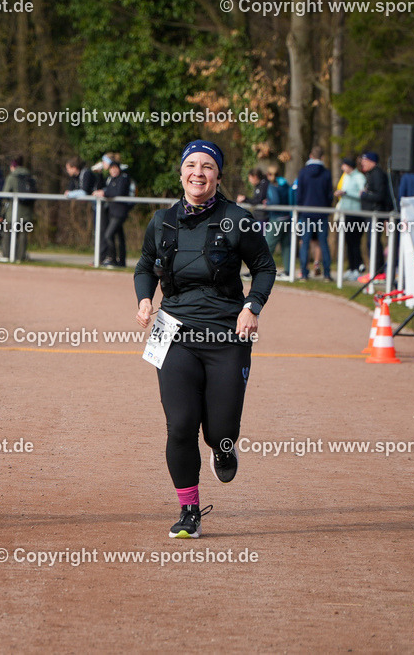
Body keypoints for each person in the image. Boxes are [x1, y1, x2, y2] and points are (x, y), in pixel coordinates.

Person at [134, 140, 275, 539]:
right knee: (180, 426)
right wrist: (145, 299)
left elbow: (264, 267)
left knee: (221, 429)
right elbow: (145, 266)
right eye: (191, 165)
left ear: (218, 175)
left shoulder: (237, 219)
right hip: (173, 333)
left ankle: (223, 444)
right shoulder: (162, 221)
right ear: (180, 173)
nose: (199, 172)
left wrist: (252, 306)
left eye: (208, 166)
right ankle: (189, 511)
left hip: (226, 334)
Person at [295, 145, 333, 280]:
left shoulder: (303, 172)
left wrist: (299, 209)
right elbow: (329, 195)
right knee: (323, 243)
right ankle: (327, 274)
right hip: (322, 213)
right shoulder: (327, 173)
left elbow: (299, 194)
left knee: (305, 243)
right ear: (322, 157)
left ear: (311, 156)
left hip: (306, 213)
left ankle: (304, 274)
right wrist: (327, 207)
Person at [359, 151, 392, 275]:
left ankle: (377, 271)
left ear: (372, 161)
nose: (362, 163)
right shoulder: (371, 174)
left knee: (373, 241)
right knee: (371, 241)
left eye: (365, 160)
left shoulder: (377, 174)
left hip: (376, 214)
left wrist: (364, 195)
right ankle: (376, 270)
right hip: (371, 214)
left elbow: (380, 195)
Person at [95, 161, 133, 267]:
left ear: (119, 168)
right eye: (111, 168)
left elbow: (119, 192)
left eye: (115, 168)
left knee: (108, 235)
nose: (113, 170)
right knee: (120, 237)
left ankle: (112, 259)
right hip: (112, 212)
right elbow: (101, 188)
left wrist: (104, 193)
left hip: (119, 213)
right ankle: (121, 261)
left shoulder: (123, 178)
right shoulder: (111, 179)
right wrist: (100, 174)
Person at [0, 155, 36, 262]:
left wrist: (3, 210)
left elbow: (5, 194)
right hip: (27, 212)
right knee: (23, 235)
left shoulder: (12, 177)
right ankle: (21, 257)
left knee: (8, 233)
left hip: (13, 213)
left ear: (13, 166)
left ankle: (7, 255)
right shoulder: (30, 177)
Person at [334, 157, 366, 280]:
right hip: (345, 213)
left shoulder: (359, 177)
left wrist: (346, 193)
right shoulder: (346, 177)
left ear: (349, 166)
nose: (342, 168)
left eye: (344, 165)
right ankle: (351, 268)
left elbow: (361, 194)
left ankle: (358, 268)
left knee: (355, 242)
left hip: (356, 214)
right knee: (348, 241)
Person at [263, 164, 293, 276]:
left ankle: (262, 269)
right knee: (286, 245)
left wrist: (268, 203)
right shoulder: (285, 184)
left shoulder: (272, 186)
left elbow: (275, 201)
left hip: (277, 218)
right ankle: (288, 270)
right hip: (287, 217)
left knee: (267, 245)